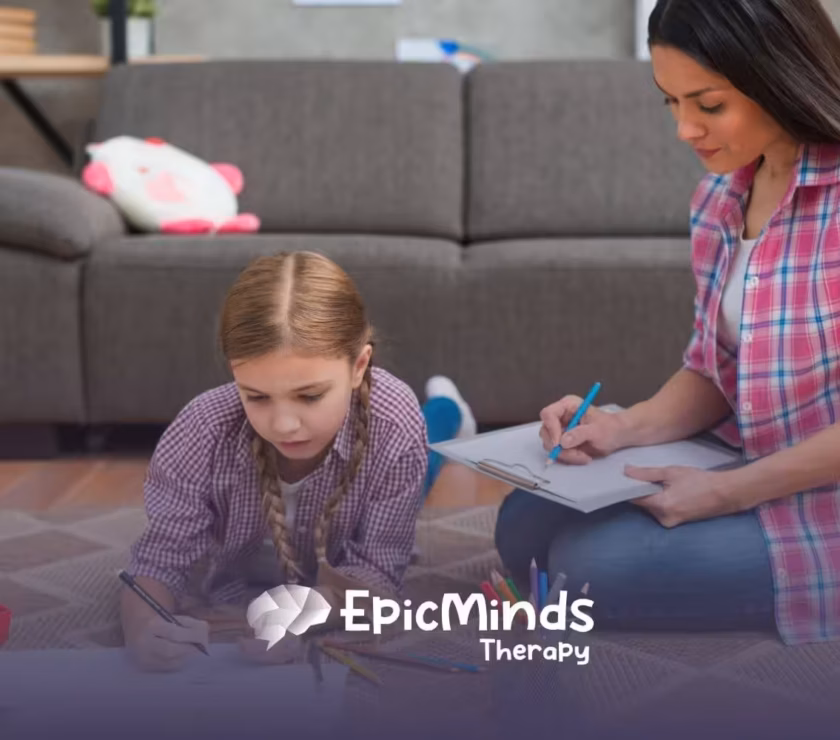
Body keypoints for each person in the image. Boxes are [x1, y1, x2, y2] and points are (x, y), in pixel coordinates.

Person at [495, 0, 840, 645]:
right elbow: (716, 370)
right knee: (524, 522)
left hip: (819, 493)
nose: (685, 129)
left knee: (590, 571)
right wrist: (619, 429)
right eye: (671, 102)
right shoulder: (719, 199)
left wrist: (728, 494)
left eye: (708, 105)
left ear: (780, 78)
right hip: (746, 457)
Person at [120, 251, 475, 671]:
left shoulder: (392, 423)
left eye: (309, 396)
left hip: (388, 440)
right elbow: (159, 562)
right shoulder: (202, 428)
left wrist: (314, 605)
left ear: (360, 366)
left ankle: (448, 409)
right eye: (256, 396)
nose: (285, 425)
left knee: (428, 449)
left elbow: (381, 570)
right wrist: (143, 629)